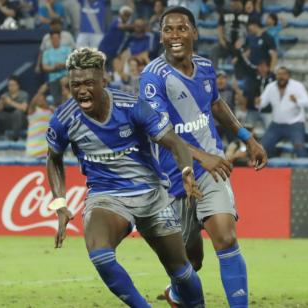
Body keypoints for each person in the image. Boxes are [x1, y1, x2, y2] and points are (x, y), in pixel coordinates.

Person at [47, 47, 205, 307]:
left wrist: (186, 171)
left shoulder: (132, 107)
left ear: (103, 81)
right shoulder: (64, 119)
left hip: (152, 194)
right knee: (100, 255)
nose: (82, 90)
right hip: (107, 197)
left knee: (180, 270)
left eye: (89, 83)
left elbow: (175, 143)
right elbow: (53, 159)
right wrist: (60, 203)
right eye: (75, 85)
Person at [139, 7, 267, 307]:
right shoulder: (152, 78)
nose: (174, 35)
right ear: (161, 36)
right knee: (190, 261)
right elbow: (161, 132)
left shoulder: (206, 67)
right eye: (168, 30)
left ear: (194, 32)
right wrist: (201, 158)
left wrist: (247, 138)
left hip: (212, 170)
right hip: (172, 177)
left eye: (181, 28)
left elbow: (217, 104)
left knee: (226, 238)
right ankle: (176, 292)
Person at [259, 66, 308, 158]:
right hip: (276, 124)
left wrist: (297, 101)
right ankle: (271, 164)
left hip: (295, 123)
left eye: (284, 74)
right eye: (279, 74)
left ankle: (307, 170)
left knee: (299, 148)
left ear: (288, 76)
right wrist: (257, 103)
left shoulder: (297, 86)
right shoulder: (270, 87)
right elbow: (262, 103)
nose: (281, 77)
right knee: (262, 148)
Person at [0, 75, 29, 141]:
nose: (11, 87)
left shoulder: (23, 94)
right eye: (9, 85)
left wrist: (10, 102)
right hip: (8, 118)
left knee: (17, 112)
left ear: (18, 85)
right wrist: (1, 102)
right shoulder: (5, 95)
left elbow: (24, 108)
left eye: (13, 85)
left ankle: (15, 135)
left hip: (21, 119)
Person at [42, 30, 73, 106]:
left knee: (68, 99)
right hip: (53, 79)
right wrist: (53, 67)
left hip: (66, 77)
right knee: (57, 102)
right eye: (53, 38)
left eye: (56, 38)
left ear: (60, 39)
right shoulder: (47, 52)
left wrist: (62, 64)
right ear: (50, 40)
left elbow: (72, 63)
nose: (55, 40)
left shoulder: (67, 49)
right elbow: (44, 66)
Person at [25, 83, 53, 158]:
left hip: (46, 152)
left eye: (42, 98)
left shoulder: (51, 111)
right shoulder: (33, 111)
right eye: (38, 98)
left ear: (45, 99)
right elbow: (32, 103)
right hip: (33, 152)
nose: (39, 99)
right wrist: (40, 92)